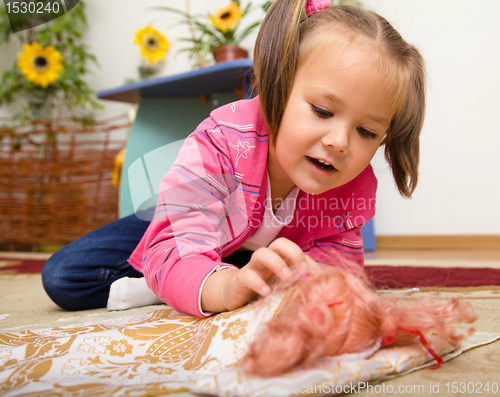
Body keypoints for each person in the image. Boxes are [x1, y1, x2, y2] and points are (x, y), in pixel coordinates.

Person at [42, 0, 425, 317]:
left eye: (367, 132)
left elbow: (340, 266)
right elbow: (176, 242)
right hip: (189, 217)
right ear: (278, 85)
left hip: (248, 252)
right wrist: (221, 288)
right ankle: (180, 280)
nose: (341, 142)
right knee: (65, 277)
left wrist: (313, 280)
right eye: (323, 111)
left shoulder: (350, 186)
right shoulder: (224, 140)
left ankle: (204, 276)